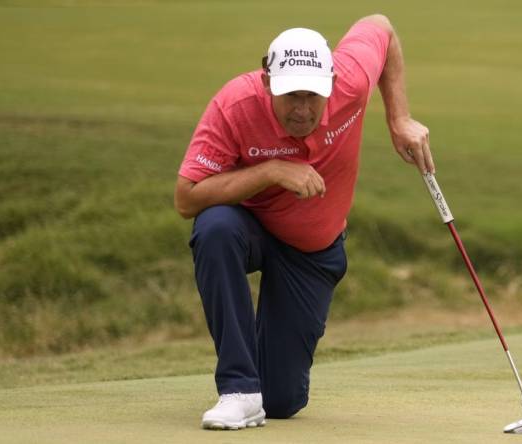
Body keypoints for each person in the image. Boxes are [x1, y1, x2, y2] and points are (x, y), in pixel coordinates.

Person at [174, 14, 435, 430]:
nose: (301, 109)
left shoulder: (351, 80)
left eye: (312, 95)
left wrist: (398, 118)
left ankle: (261, 383)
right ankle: (238, 389)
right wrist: (270, 170)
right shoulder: (234, 105)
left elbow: (381, 27)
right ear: (265, 81)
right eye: (290, 95)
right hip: (250, 228)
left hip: (310, 253)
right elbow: (186, 198)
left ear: (332, 82)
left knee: (281, 399)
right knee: (215, 227)